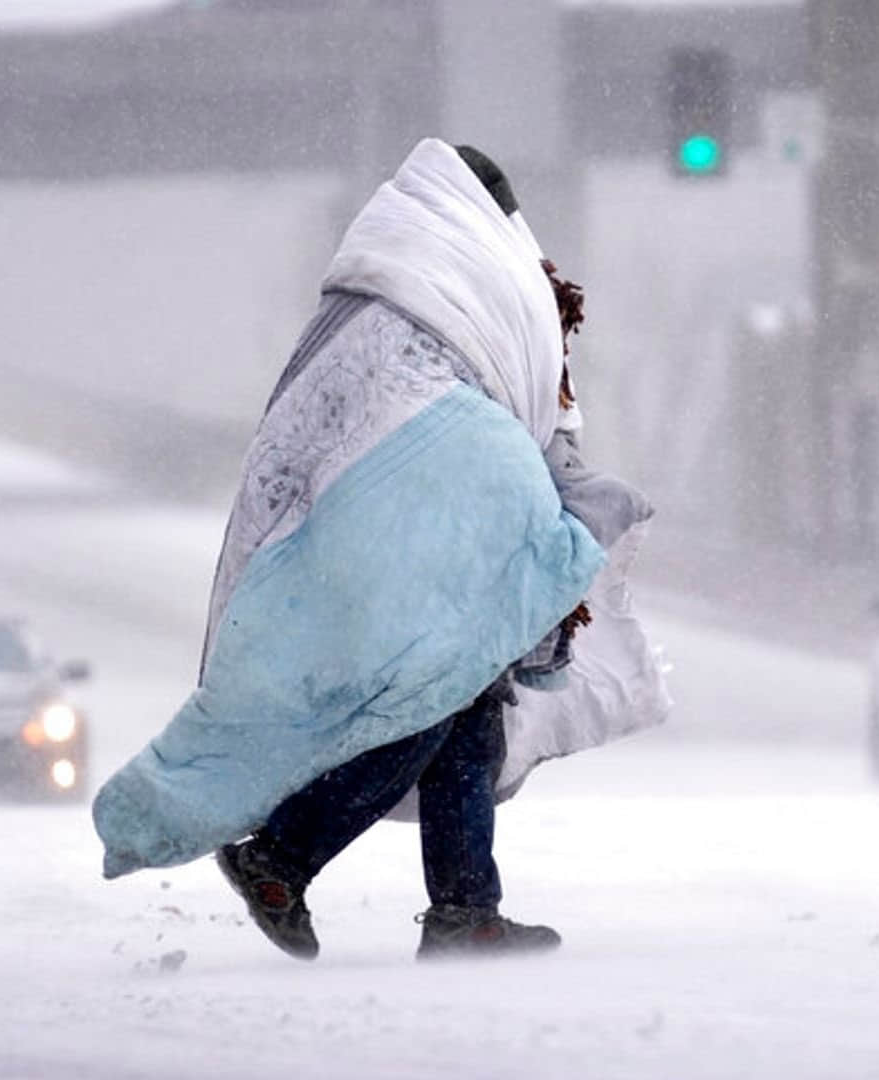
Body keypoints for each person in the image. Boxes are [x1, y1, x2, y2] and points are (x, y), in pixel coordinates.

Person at [91, 139, 662, 961]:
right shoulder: (477, 284)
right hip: (413, 526)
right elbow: (505, 408)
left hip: (366, 527)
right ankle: (282, 857)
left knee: (464, 702)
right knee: (433, 696)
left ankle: (465, 908)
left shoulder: (380, 291)